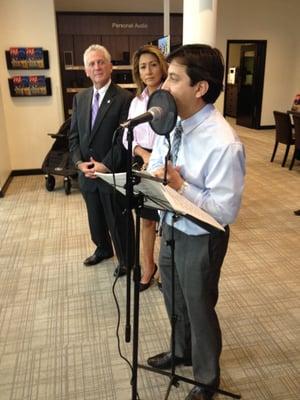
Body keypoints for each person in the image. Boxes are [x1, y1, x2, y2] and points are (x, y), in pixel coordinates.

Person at [146, 44, 246, 400]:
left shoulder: (224, 143)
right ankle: (181, 350)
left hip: (202, 235)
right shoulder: (174, 124)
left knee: (199, 306)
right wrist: (155, 174)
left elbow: (225, 211)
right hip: (171, 225)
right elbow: (159, 160)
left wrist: (180, 185)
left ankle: (207, 379)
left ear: (200, 88)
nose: (164, 85)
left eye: (173, 78)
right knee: (173, 296)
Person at [69, 44, 134, 277]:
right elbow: (74, 135)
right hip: (86, 173)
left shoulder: (125, 99)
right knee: (95, 217)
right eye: (91, 64)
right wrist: (78, 163)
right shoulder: (80, 98)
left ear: (110, 66)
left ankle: (127, 260)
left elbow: (125, 141)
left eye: (100, 62)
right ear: (86, 70)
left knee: (117, 220)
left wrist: (105, 164)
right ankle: (103, 248)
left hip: (111, 171)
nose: (96, 67)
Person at [123, 45, 168, 291]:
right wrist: (142, 153)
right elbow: (126, 137)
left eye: (153, 64)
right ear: (137, 72)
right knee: (147, 221)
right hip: (142, 164)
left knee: (168, 222)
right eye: (143, 66)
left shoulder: (170, 98)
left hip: (166, 167)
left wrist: (157, 158)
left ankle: (166, 269)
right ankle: (148, 266)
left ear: (162, 66)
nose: (148, 71)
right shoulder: (136, 102)